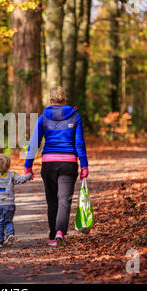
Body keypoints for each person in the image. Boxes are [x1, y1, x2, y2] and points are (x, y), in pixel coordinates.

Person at [24, 86, 89, 246]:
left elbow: (34, 143)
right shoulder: (75, 116)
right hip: (69, 163)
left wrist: (28, 166)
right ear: (64, 100)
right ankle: (61, 231)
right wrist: (84, 165)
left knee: (52, 200)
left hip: (49, 164)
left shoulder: (43, 118)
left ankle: (53, 236)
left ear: (51, 101)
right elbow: (79, 142)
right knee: (64, 200)